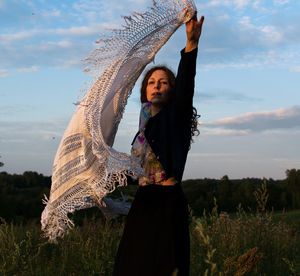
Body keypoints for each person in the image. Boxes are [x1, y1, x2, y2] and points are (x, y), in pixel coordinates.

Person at [113, 13, 205, 276]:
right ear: (145, 91)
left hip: (167, 203)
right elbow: (136, 170)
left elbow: (187, 84)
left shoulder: (176, 117)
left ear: (172, 90)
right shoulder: (144, 126)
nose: (156, 86)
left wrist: (191, 46)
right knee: (131, 267)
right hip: (143, 202)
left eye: (163, 83)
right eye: (151, 83)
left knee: (166, 267)